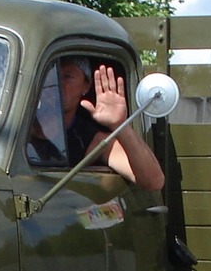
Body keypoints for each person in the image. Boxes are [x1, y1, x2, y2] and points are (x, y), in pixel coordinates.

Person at [29, 57, 165, 191]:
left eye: (68, 76)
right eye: (51, 75)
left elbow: (153, 182)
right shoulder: (19, 126)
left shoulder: (93, 140)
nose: (56, 82)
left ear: (86, 86)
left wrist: (119, 124)